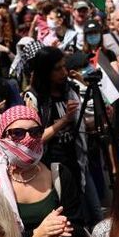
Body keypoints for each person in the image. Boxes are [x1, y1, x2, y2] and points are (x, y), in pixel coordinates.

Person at [0, 106, 87, 237]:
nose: (28, 139)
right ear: (2, 137)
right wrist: (35, 236)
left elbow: (79, 229)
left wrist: (62, 230)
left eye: (36, 132)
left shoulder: (59, 174)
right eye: (17, 133)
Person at [25, 47, 87, 193]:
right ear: (45, 71)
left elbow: (82, 125)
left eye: (64, 67)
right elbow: (36, 140)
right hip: (51, 165)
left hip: (76, 159)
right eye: (57, 69)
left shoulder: (69, 90)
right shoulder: (34, 98)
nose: (64, 73)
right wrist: (64, 120)